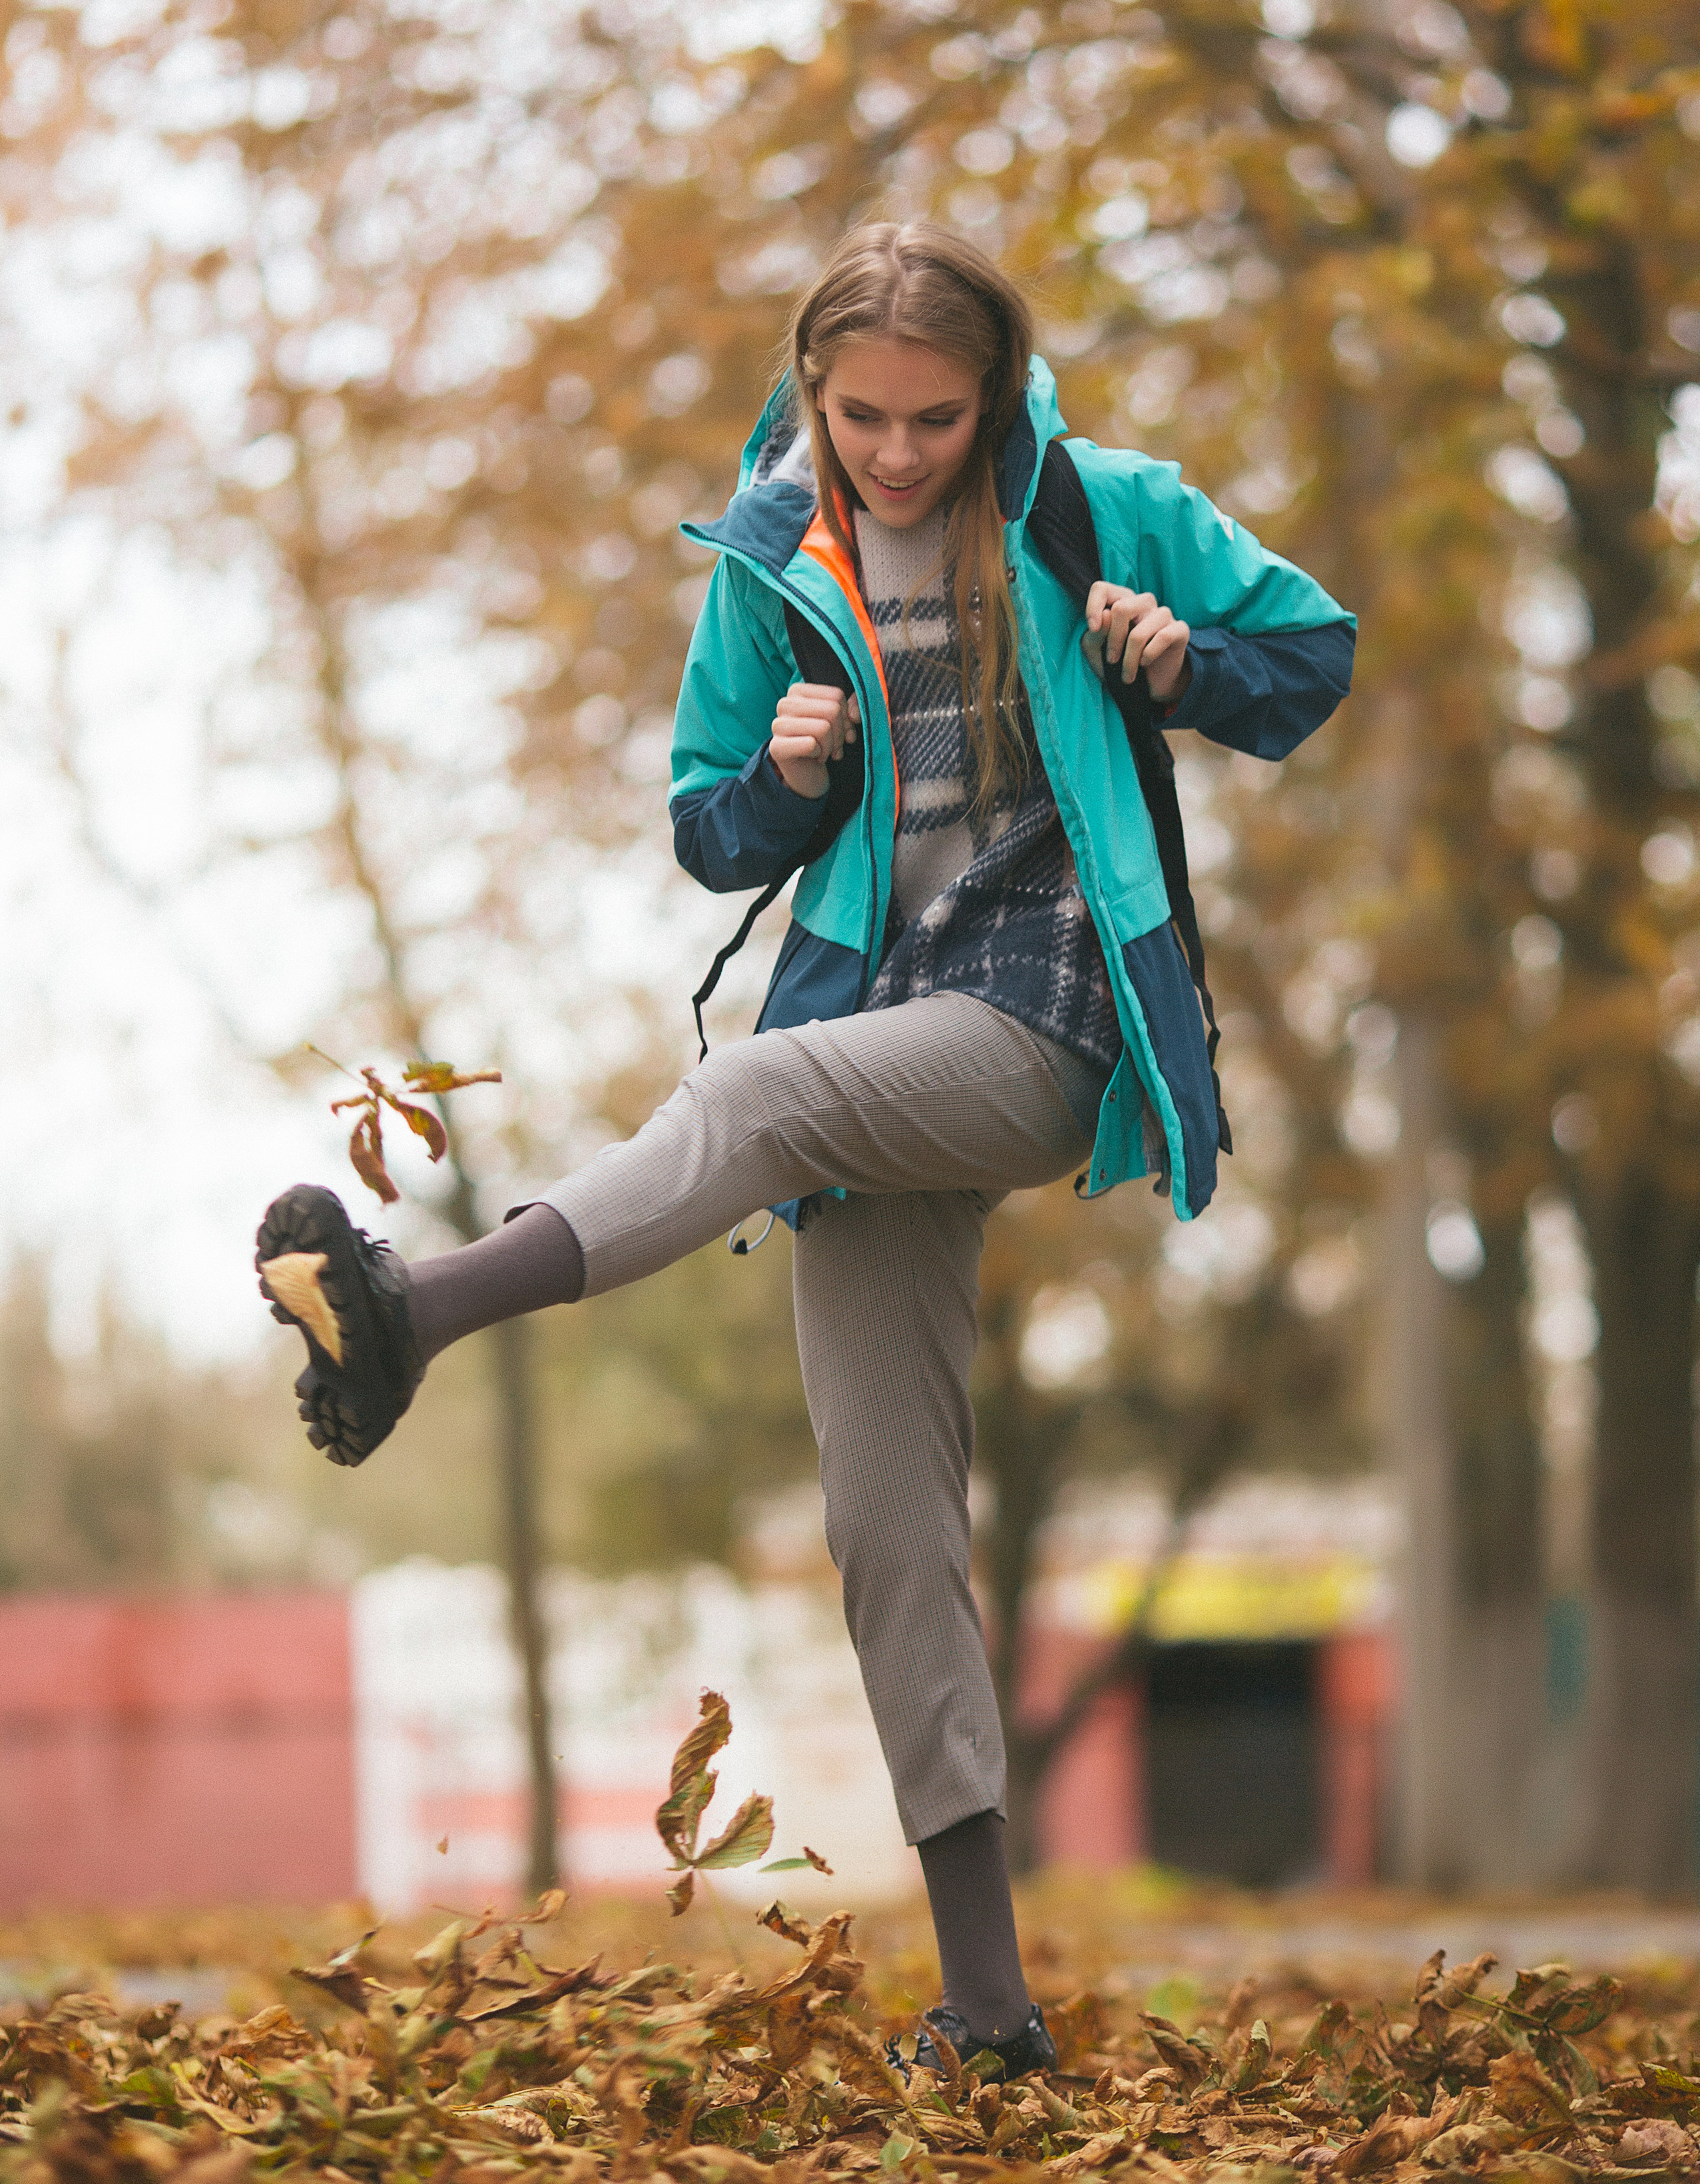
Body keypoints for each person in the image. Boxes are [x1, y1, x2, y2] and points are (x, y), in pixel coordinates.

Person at [254, 220, 1355, 2077]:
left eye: (939, 417)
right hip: (877, 1006)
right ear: (815, 394)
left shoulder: (1096, 504)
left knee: (753, 1100)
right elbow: (708, 825)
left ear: (996, 391)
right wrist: (785, 773)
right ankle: (991, 2010)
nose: (904, 452)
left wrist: (1177, 663)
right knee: (887, 1525)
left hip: (1044, 1015)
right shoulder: (770, 553)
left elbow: (1306, 661)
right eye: (868, 418)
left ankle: (415, 1311)